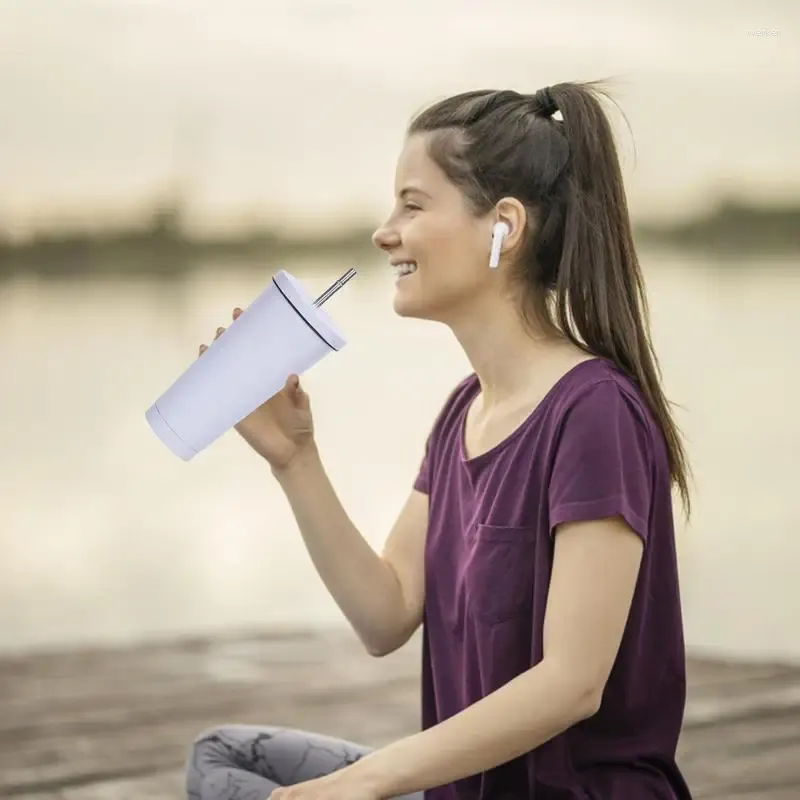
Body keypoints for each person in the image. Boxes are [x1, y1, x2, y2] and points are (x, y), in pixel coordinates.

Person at [185, 81, 694, 800]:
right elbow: (385, 614)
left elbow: (573, 683)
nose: (384, 230)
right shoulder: (465, 412)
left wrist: (367, 781)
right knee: (222, 759)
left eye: (413, 205)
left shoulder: (594, 414)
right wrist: (295, 458)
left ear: (504, 227)